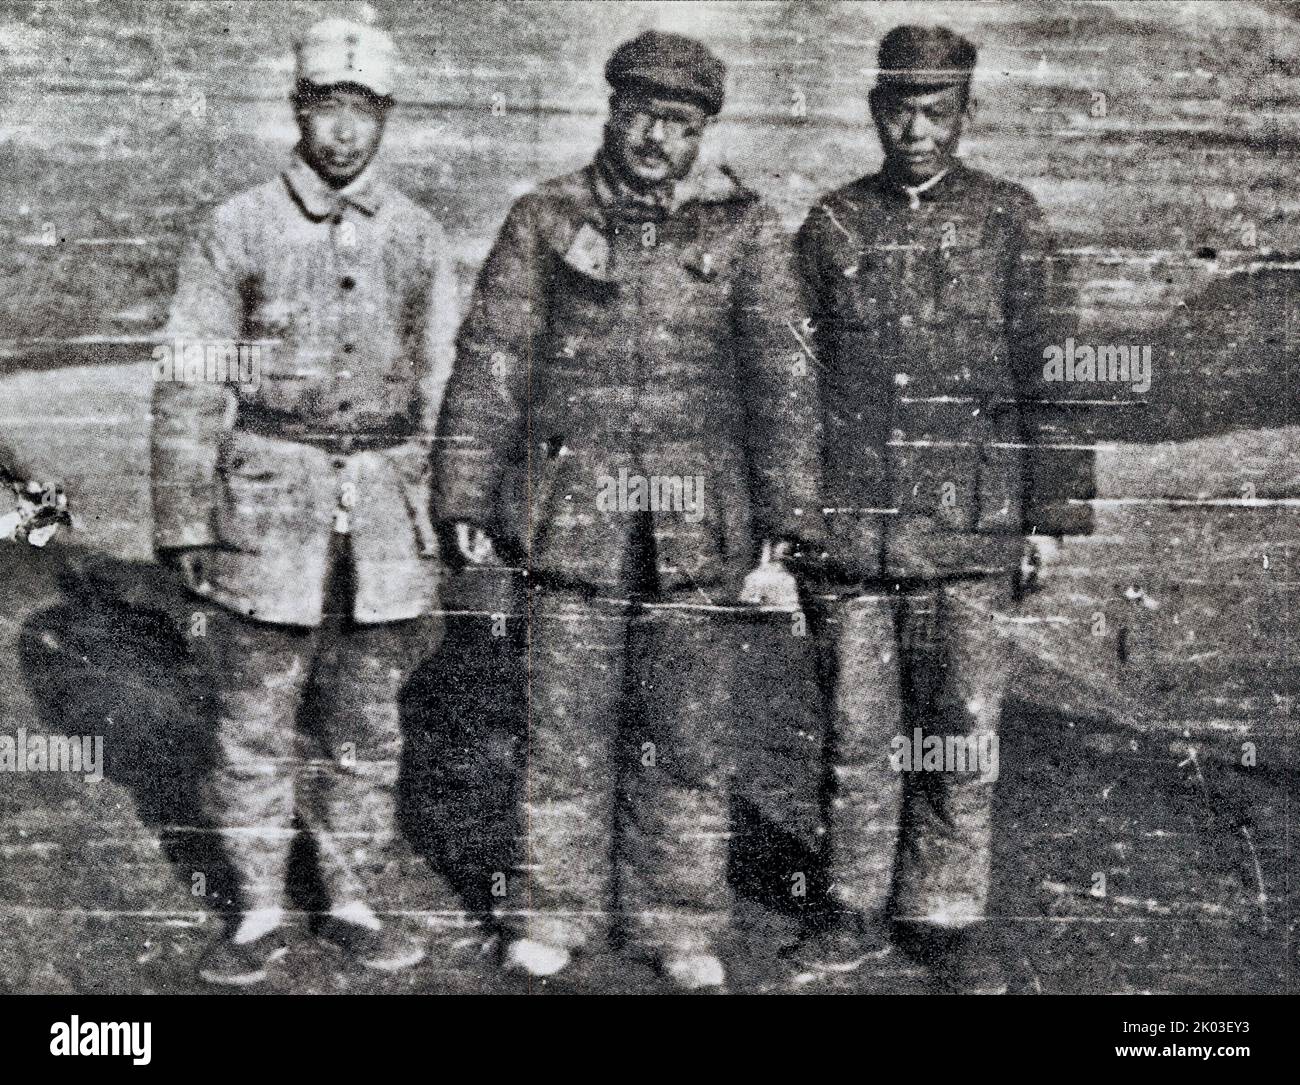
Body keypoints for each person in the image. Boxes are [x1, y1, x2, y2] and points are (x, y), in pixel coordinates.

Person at [434, 30, 822, 990]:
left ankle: (679, 922)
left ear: (703, 133)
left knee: (689, 737)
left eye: (679, 123)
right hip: (574, 521)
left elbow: (783, 379)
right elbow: (493, 360)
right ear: (611, 111)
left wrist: (787, 511)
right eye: (641, 115)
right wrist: (464, 491)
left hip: (696, 528)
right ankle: (550, 912)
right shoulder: (546, 217)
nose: (655, 138)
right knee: (561, 729)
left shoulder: (745, 230)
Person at [150, 16, 458, 985]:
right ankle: (258, 908)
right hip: (267, 508)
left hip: (382, 510)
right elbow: (193, 378)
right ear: (299, 110)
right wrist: (185, 519)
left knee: (367, 720)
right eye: (328, 107)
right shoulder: (236, 227)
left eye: (363, 110)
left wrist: (447, 509)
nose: (344, 132)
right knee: (255, 714)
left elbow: (448, 382)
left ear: (387, 118)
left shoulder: (416, 235)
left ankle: (355, 897)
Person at [794, 24, 1086, 993]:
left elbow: (1054, 371)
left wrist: (1046, 515)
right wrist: (787, 513)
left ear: (966, 115)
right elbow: (787, 381)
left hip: (970, 530)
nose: (915, 130)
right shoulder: (831, 225)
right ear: (875, 111)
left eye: (937, 112)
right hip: (850, 534)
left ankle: (944, 913)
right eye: (899, 110)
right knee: (855, 736)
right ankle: (848, 906)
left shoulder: (1013, 221)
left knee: (957, 735)